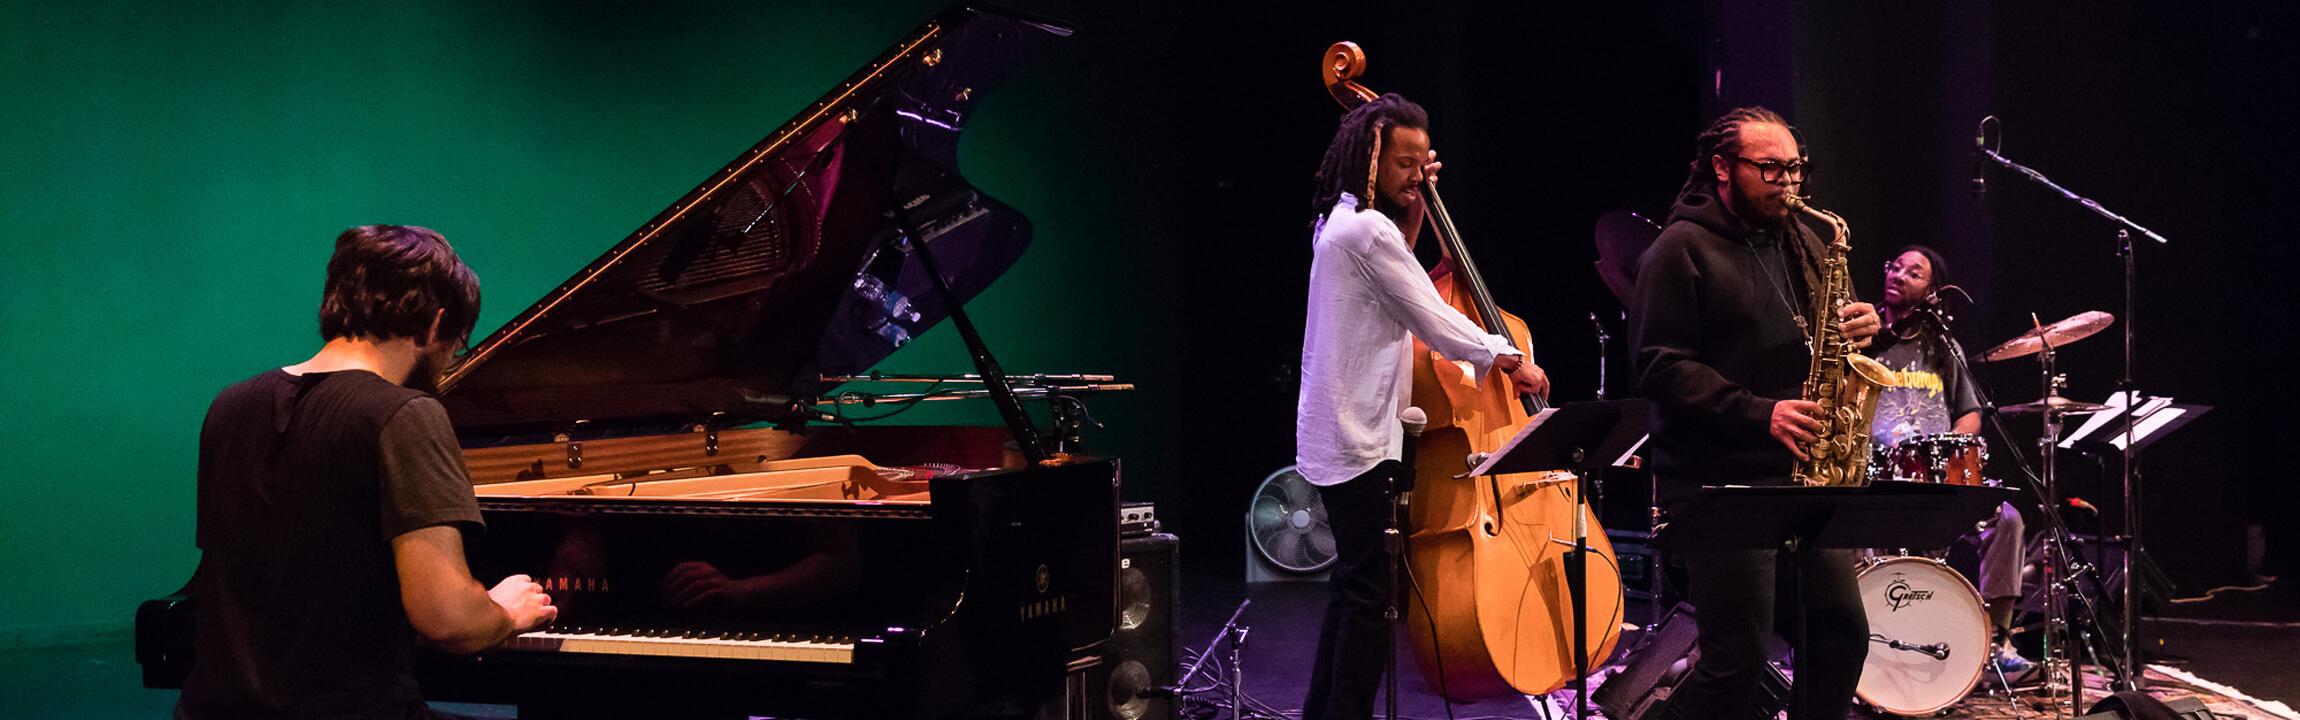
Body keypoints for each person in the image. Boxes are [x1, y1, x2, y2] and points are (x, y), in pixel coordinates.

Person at [176, 225, 558, 720]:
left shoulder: (229, 406)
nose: (448, 363)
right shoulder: (404, 414)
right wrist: (505, 611)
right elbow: (446, 619)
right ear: (435, 322)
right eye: (456, 343)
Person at [1296, 93, 1548, 720]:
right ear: (1371, 155)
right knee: (1369, 598)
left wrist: (1413, 204)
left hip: (1335, 429)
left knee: (1350, 588)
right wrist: (1513, 357)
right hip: (1359, 436)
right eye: (1404, 164)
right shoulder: (1367, 231)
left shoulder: (1341, 219)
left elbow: (1402, 269)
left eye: (1421, 164)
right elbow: (1437, 322)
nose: (1415, 175)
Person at [1628, 106, 1883, 720]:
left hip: (1801, 479)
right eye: (1771, 169)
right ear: (1722, 167)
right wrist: (1758, 413)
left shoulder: (1805, 238)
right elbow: (1657, 365)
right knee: (1737, 660)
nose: (1790, 184)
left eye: (1796, 169)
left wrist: (1861, 327)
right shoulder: (1680, 247)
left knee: (1840, 637)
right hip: (1722, 484)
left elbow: (1821, 336)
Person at [1869, 244, 2037, 684]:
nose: (1899, 275)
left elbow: (1970, 411)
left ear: (1933, 292)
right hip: (1879, 480)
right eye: (1895, 267)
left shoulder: (1944, 346)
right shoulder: (1866, 339)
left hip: (1940, 478)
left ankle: (1998, 642)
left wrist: (1957, 445)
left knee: (2008, 521)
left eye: (1914, 272)